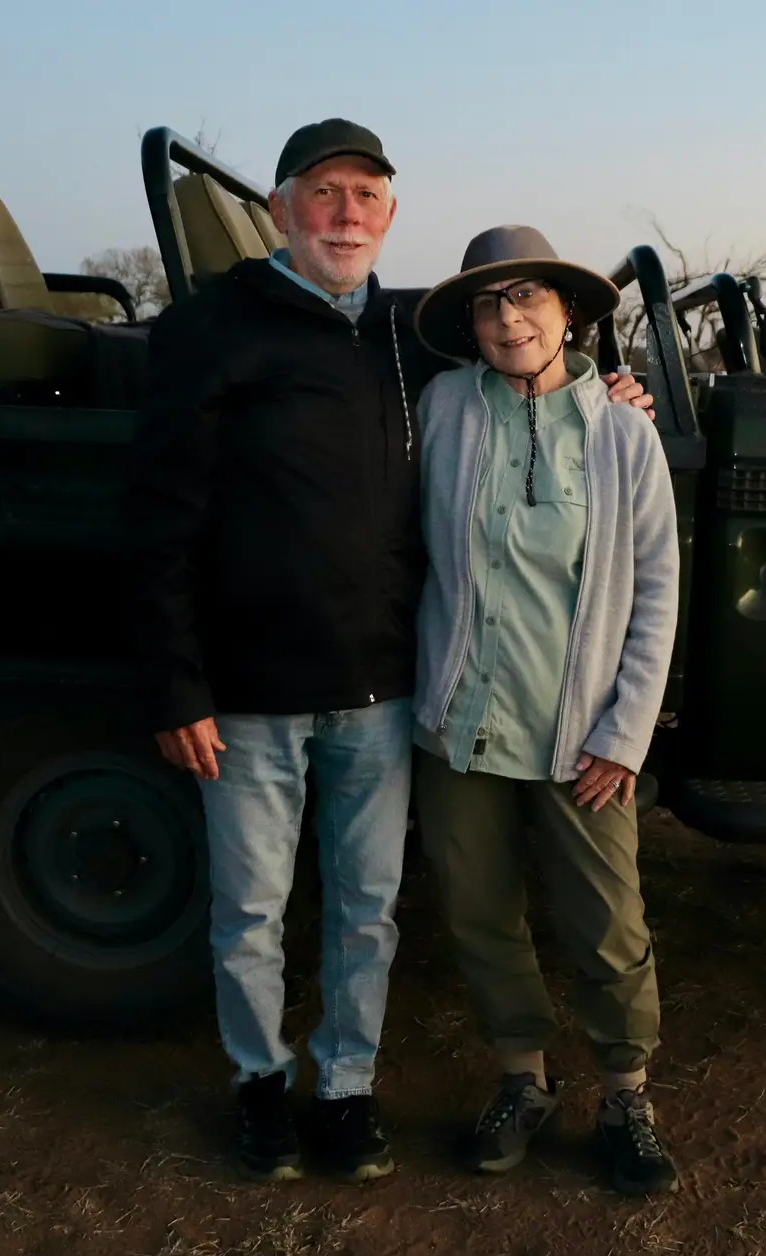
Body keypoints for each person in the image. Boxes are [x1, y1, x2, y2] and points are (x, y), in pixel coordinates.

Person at [121, 125, 651, 1184]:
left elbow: (536, 366)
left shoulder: (409, 338)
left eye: (366, 195)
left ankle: (348, 1089)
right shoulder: (211, 328)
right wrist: (176, 682)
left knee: (369, 911)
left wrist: (612, 389)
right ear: (282, 209)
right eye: (325, 192)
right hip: (251, 691)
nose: (346, 213)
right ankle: (260, 1085)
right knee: (251, 911)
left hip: (379, 690)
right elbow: (156, 519)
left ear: (391, 216)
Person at [409, 225, 682, 1196]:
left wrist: (625, 733)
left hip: (582, 739)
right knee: (479, 910)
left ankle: (626, 1097)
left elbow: (657, 592)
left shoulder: (623, 432)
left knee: (607, 921)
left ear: (570, 313)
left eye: (529, 295)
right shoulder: (443, 408)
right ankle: (522, 1079)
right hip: (462, 725)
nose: (508, 317)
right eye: (488, 302)